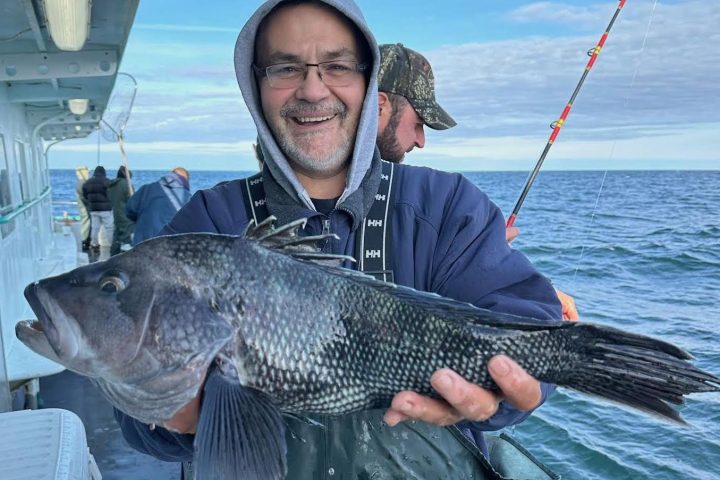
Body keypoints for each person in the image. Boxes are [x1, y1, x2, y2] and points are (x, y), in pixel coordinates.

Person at [114, 1, 562, 478]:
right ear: (255, 86)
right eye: (285, 67)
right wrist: (165, 417)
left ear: (370, 87)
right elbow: (136, 418)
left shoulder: (446, 204)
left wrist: (508, 396)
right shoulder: (207, 219)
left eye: (337, 66)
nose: (312, 88)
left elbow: (532, 332)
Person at [376, 43, 579, 320]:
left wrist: (482, 258)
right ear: (379, 108)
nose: (421, 141)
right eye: (419, 123)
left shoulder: (433, 208)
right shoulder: (433, 199)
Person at [125, 167, 191, 245]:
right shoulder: (187, 197)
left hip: (142, 242)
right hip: (168, 246)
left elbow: (129, 210)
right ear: (185, 180)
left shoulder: (146, 189)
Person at [81, 165, 113, 252]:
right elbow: (111, 194)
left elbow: (84, 195)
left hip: (93, 209)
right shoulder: (107, 181)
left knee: (95, 228)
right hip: (106, 209)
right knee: (109, 228)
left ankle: (94, 244)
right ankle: (111, 244)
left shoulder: (87, 183)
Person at [107, 166, 135, 255]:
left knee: (117, 237)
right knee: (127, 239)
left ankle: (113, 256)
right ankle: (126, 257)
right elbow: (132, 201)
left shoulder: (111, 185)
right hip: (126, 215)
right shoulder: (127, 185)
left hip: (116, 213)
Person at [74, 166, 91, 251]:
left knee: (85, 222)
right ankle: (84, 240)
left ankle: (85, 239)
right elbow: (84, 196)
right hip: (84, 206)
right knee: (85, 222)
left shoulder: (80, 182)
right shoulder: (82, 183)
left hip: (83, 206)